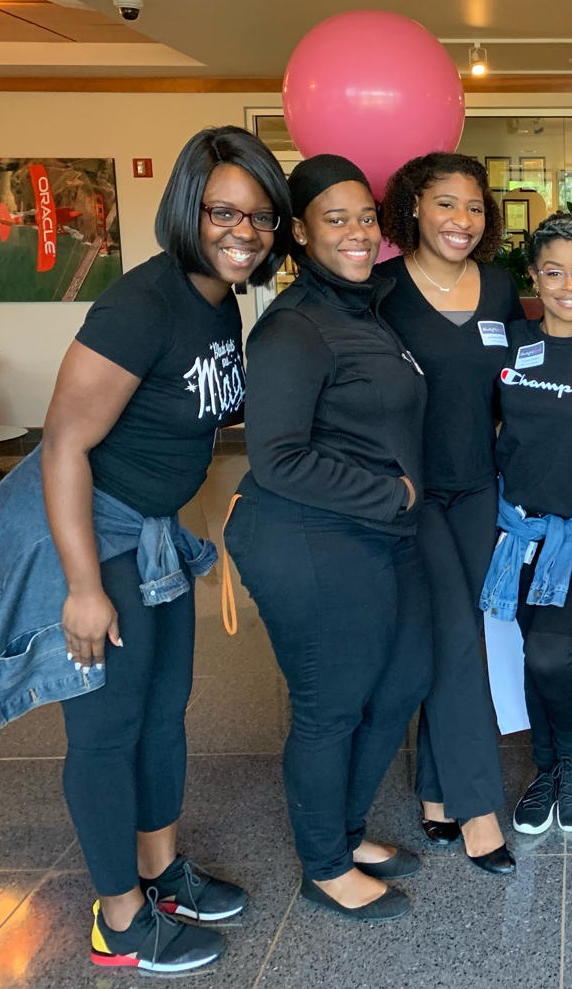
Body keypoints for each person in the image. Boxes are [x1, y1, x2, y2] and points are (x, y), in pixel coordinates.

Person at [0, 126, 289, 973]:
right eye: (224, 212)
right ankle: (118, 917)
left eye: (262, 217)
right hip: (86, 532)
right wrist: (83, 588)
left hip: (151, 533)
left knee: (164, 711)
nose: (245, 232)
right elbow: (61, 445)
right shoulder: (143, 302)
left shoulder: (216, 297)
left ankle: (161, 873)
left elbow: (184, 423)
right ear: (186, 208)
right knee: (107, 727)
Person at [225, 154, 430, 921]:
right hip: (309, 536)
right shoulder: (294, 326)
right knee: (331, 703)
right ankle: (323, 865)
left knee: (403, 677)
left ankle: (345, 829)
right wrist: (391, 491)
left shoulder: (361, 306)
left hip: (379, 532)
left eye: (365, 216)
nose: (356, 232)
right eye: (334, 219)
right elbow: (276, 458)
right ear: (301, 232)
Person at [376, 153, 520, 874]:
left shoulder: (498, 287)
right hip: (410, 493)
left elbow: (511, 387)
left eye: (473, 205)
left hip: (479, 488)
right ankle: (478, 807)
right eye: (445, 204)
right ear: (412, 209)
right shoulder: (380, 290)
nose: (462, 220)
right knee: (460, 640)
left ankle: (435, 790)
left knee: (451, 635)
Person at [478, 215, 572, 836]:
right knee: (535, 652)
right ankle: (546, 767)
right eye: (554, 271)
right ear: (534, 276)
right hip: (515, 528)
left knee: (546, 649)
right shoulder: (505, 343)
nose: (570, 284)